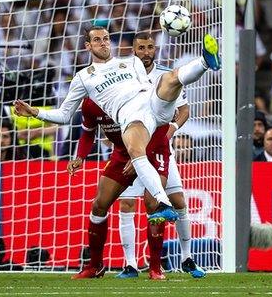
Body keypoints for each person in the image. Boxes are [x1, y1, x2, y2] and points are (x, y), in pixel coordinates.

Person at [15, 26, 221, 278]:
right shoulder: (84, 77)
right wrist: (36, 112)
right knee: (100, 204)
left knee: (169, 79)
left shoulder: (130, 62)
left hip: (151, 106)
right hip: (132, 117)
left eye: (106, 39)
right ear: (87, 46)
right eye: (97, 40)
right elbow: (65, 115)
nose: (103, 43)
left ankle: (204, 60)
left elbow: (148, 81)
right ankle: (95, 265)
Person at [110, 32, 204, 279]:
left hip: (162, 149)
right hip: (132, 148)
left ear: (155, 49)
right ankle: (130, 264)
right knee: (127, 204)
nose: (146, 52)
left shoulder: (167, 76)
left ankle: (186, 258)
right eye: (141, 47)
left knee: (177, 202)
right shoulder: (123, 75)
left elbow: (184, 110)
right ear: (134, 49)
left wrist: (173, 128)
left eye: (150, 47)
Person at [67, 97, 171, 280]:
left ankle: (155, 268)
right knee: (99, 205)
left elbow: (160, 125)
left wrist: (140, 154)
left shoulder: (130, 92)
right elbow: (88, 132)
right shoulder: (90, 103)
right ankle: (95, 266)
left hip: (153, 149)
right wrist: (80, 157)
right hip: (122, 152)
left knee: (154, 205)